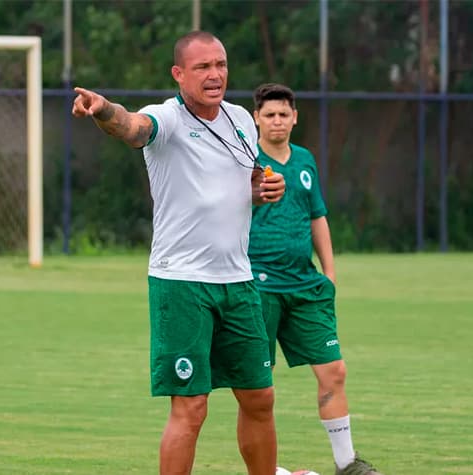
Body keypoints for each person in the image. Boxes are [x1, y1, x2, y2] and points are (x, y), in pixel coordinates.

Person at [71, 31, 286, 475]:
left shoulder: (243, 120)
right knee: (191, 408)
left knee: (260, 397)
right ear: (179, 74)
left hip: (238, 281)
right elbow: (132, 128)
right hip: (182, 282)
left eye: (221, 64)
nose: (215, 74)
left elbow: (241, 186)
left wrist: (263, 190)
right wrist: (102, 109)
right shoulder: (165, 119)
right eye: (203, 67)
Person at [248, 83, 384, 475]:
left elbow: (317, 216)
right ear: (256, 117)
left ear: (295, 117)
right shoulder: (245, 158)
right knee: (259, 385)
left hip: (305, 286)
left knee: (333, 371)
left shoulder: (305, 161)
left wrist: (330, 271)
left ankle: (347, 464)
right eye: (269, 114)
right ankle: (266, 469)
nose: (277, 121)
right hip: (259, 285)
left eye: (283, 114)